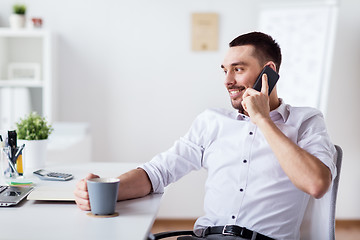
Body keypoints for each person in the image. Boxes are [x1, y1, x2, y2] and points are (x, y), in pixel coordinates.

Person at [74, 32, 336, 240]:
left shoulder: (306, 121)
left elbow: (316, 184)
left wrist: (262, 119)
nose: (227, 80)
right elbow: (157, 173)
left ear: (269, 71)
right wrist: (103, 190)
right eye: (225, 70)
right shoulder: (212, 122)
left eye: (238, 69)